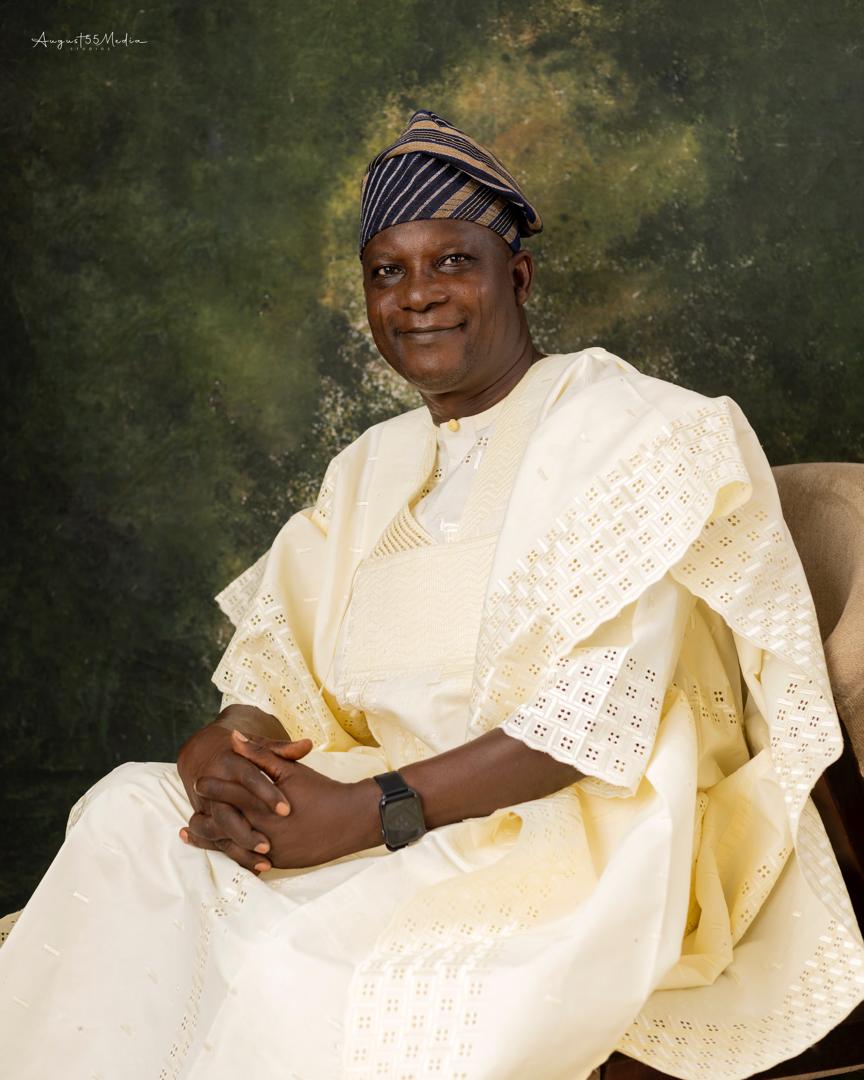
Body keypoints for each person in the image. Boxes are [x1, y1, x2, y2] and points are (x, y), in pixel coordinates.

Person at [0, 109, 861, 1080]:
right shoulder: (370, 465)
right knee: (130, 813)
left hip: (566, 839)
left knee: (297, 974)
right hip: (373, 799)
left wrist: (373, 812)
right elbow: (279, 667)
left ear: (517, 276)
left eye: (453, 261)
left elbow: (593, 724)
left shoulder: (637, 429)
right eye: (388, 272)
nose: (418, 295)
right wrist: (223, 755)